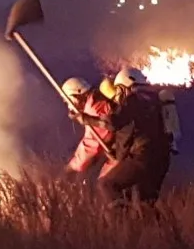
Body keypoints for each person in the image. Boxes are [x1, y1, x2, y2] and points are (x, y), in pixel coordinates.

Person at [96, 66, 173, 205]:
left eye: (119, 89)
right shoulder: (155, 98)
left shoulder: (132, 99)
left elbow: (114, 123)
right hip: (163, 160)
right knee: (145, 203)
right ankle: (156, 220)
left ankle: (121, 217)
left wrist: (86, 119)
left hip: (143, 157)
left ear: (125, 85)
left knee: (107, 184)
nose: (118, 94)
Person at [61, 77, 120, 185]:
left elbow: (91, 145)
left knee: (103, 185)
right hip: (119, 149)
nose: (69, 105)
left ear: (77, 95)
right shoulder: (96, 101)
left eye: (69, 100)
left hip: (122, 153)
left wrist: (71, 167)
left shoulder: (94, 109)